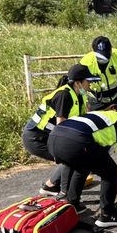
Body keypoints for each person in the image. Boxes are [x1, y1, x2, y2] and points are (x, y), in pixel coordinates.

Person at [47, 99, 117, 228]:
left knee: (83, 165)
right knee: (109, 171)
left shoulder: (104, 114)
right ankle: (107, 216)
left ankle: (73, 204)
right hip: (76, 141)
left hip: (54, 138)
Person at [21, 64, 100, 195]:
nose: (90, 85)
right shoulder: (64, 95)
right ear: (78, 82)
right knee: (71, 156)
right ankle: (65, 195)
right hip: (36, 138)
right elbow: (61, 128)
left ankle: (51, 186)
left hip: (49, 135)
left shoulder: (80, 94)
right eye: (89, 82)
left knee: (76, 154)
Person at [80, 36, 117, 110]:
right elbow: (80, 86)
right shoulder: (85, 62)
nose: (103, 59)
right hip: (96, 102)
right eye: (100, 56)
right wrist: (84, 103)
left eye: (106, 54)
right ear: (93, 51)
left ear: (111, 49)